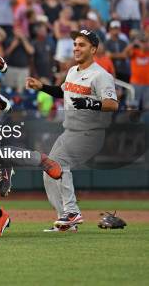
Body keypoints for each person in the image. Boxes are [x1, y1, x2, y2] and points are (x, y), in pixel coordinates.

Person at [26, 29, 118, 232]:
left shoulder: (101, 75)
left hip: (90, 132)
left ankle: (72, 212)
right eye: (75, 44)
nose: (76, 48)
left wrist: (89, 102)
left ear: (93, 49)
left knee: (59, 164)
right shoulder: (72, 71)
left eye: (82, 44)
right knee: (49, 171)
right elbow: (63, 91)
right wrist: (41, 86)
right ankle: (65, 220)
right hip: (69, 132)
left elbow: (112, 104)